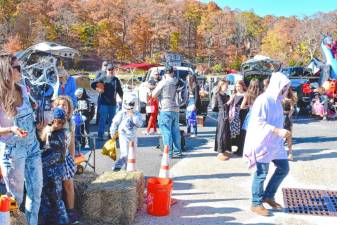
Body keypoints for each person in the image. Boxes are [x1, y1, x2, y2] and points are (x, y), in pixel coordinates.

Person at [0, 52, 43, 225]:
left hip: (32, 146)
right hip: (13, 150)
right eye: (17, 67)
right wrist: (11, 128)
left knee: (35, 192)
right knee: (14, 198)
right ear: (5, 70)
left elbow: (30, 118)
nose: (21, 70)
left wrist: (39, 123)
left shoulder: (23, 89)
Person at [243, 72, 291, 217]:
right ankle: (256, 203)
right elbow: (257, 122)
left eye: (286, 87)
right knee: (261, 173)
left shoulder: (277, 101)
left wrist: (283, 133)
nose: (285, 90)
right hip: (262, 142)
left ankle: (268, 196)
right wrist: (276, 130)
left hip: (275, 144)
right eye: (284, 87)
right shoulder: (263, 100)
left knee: (284, 168)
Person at [39, 108, 69, 225]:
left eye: (62, 122)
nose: (59, 124)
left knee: (56, 199)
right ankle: (48, 221)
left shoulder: (60, 134)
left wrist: (39, 163)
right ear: (52, 120)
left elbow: (56, 155)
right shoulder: (48, 131)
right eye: (57, 121)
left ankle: (63, 221)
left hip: (55, 172)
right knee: (45, 198)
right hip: (46, 172)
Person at [53, 96, 79, 224]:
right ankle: (57, 212)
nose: (62, 107)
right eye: (59, 104)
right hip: (53, 158)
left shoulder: (71, 122)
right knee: (55, 187)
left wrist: (72, 159)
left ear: (69, 109)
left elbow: (72, 143)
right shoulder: (51, 121)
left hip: (66, 156)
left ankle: (71, 211)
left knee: (68, 184)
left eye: (65, 105)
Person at [152, 66, 182, 158]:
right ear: (173, 72)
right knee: (176, 131)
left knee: (166, 131)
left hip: (165, 108)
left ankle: (168, 152)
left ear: (165, 73)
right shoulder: (178, 82)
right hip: (176, 109)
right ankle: (177, 151)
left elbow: (154, 95)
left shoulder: (163, 82)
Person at [110, 93, 143, 171]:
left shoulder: (137, 114)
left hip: (133, 135)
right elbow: (115, 122)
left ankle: (128, 168)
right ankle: (120, 166)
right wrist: (113, 132)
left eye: (131, 104)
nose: (129, 106)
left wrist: (133, 116)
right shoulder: (122, 113)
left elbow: (139, 124)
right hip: (123, 135)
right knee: (125, 153)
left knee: (132, 154)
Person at [91, 63, 123, 140]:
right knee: (102, 120)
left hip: (113, 104)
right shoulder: (103, 78)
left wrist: (123, 99)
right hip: (103, 103)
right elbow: (92, 84)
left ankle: (111, 135)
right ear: (107, 70)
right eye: (109, 69)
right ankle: (100, 135)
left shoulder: (116, 80)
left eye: (112, 69)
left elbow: (120, 90)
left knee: (112, 121)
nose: (111, 71)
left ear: (114, 70)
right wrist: (97, 89)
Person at [240, 78, 261, 154]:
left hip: (251, 114)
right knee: (258, 134)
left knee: (249, 135)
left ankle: (249, 151)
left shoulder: (247, 94)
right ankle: (257, 150)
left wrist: (248, 106)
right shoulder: (261, 94)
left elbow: (242, 106)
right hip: (259, 115)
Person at [213, 79, 231, 160]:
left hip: (226, 115)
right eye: (226, 86)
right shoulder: (218, 95)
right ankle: (220, 152)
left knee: (225, 133)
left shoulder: (225, 94)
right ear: (221, 85)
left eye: (227, 86)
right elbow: (222, 106)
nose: (227, 87)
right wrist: (230, 100)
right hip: (222, 115)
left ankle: (224, 150)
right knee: (221, 133)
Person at [227, 80, 247, 156]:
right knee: (235, 132)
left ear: (242, 86)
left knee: (242, 132)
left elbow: (243, 106)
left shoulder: (245, 94)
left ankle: (241, 149)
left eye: (239, 86)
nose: (237, 88)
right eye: (236, 86)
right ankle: (238, 148)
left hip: (242, 114)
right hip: (234, 115)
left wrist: (246, 107)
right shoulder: (234, 94)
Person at [282, 88, 297, 161]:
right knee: (280, 136)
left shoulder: (290, 99)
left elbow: (292, 109)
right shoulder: (280, 98)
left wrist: (288, 117)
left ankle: (290, 154)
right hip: (281, 117)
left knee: (289, 136)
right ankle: (281, 153)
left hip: (287, 117)